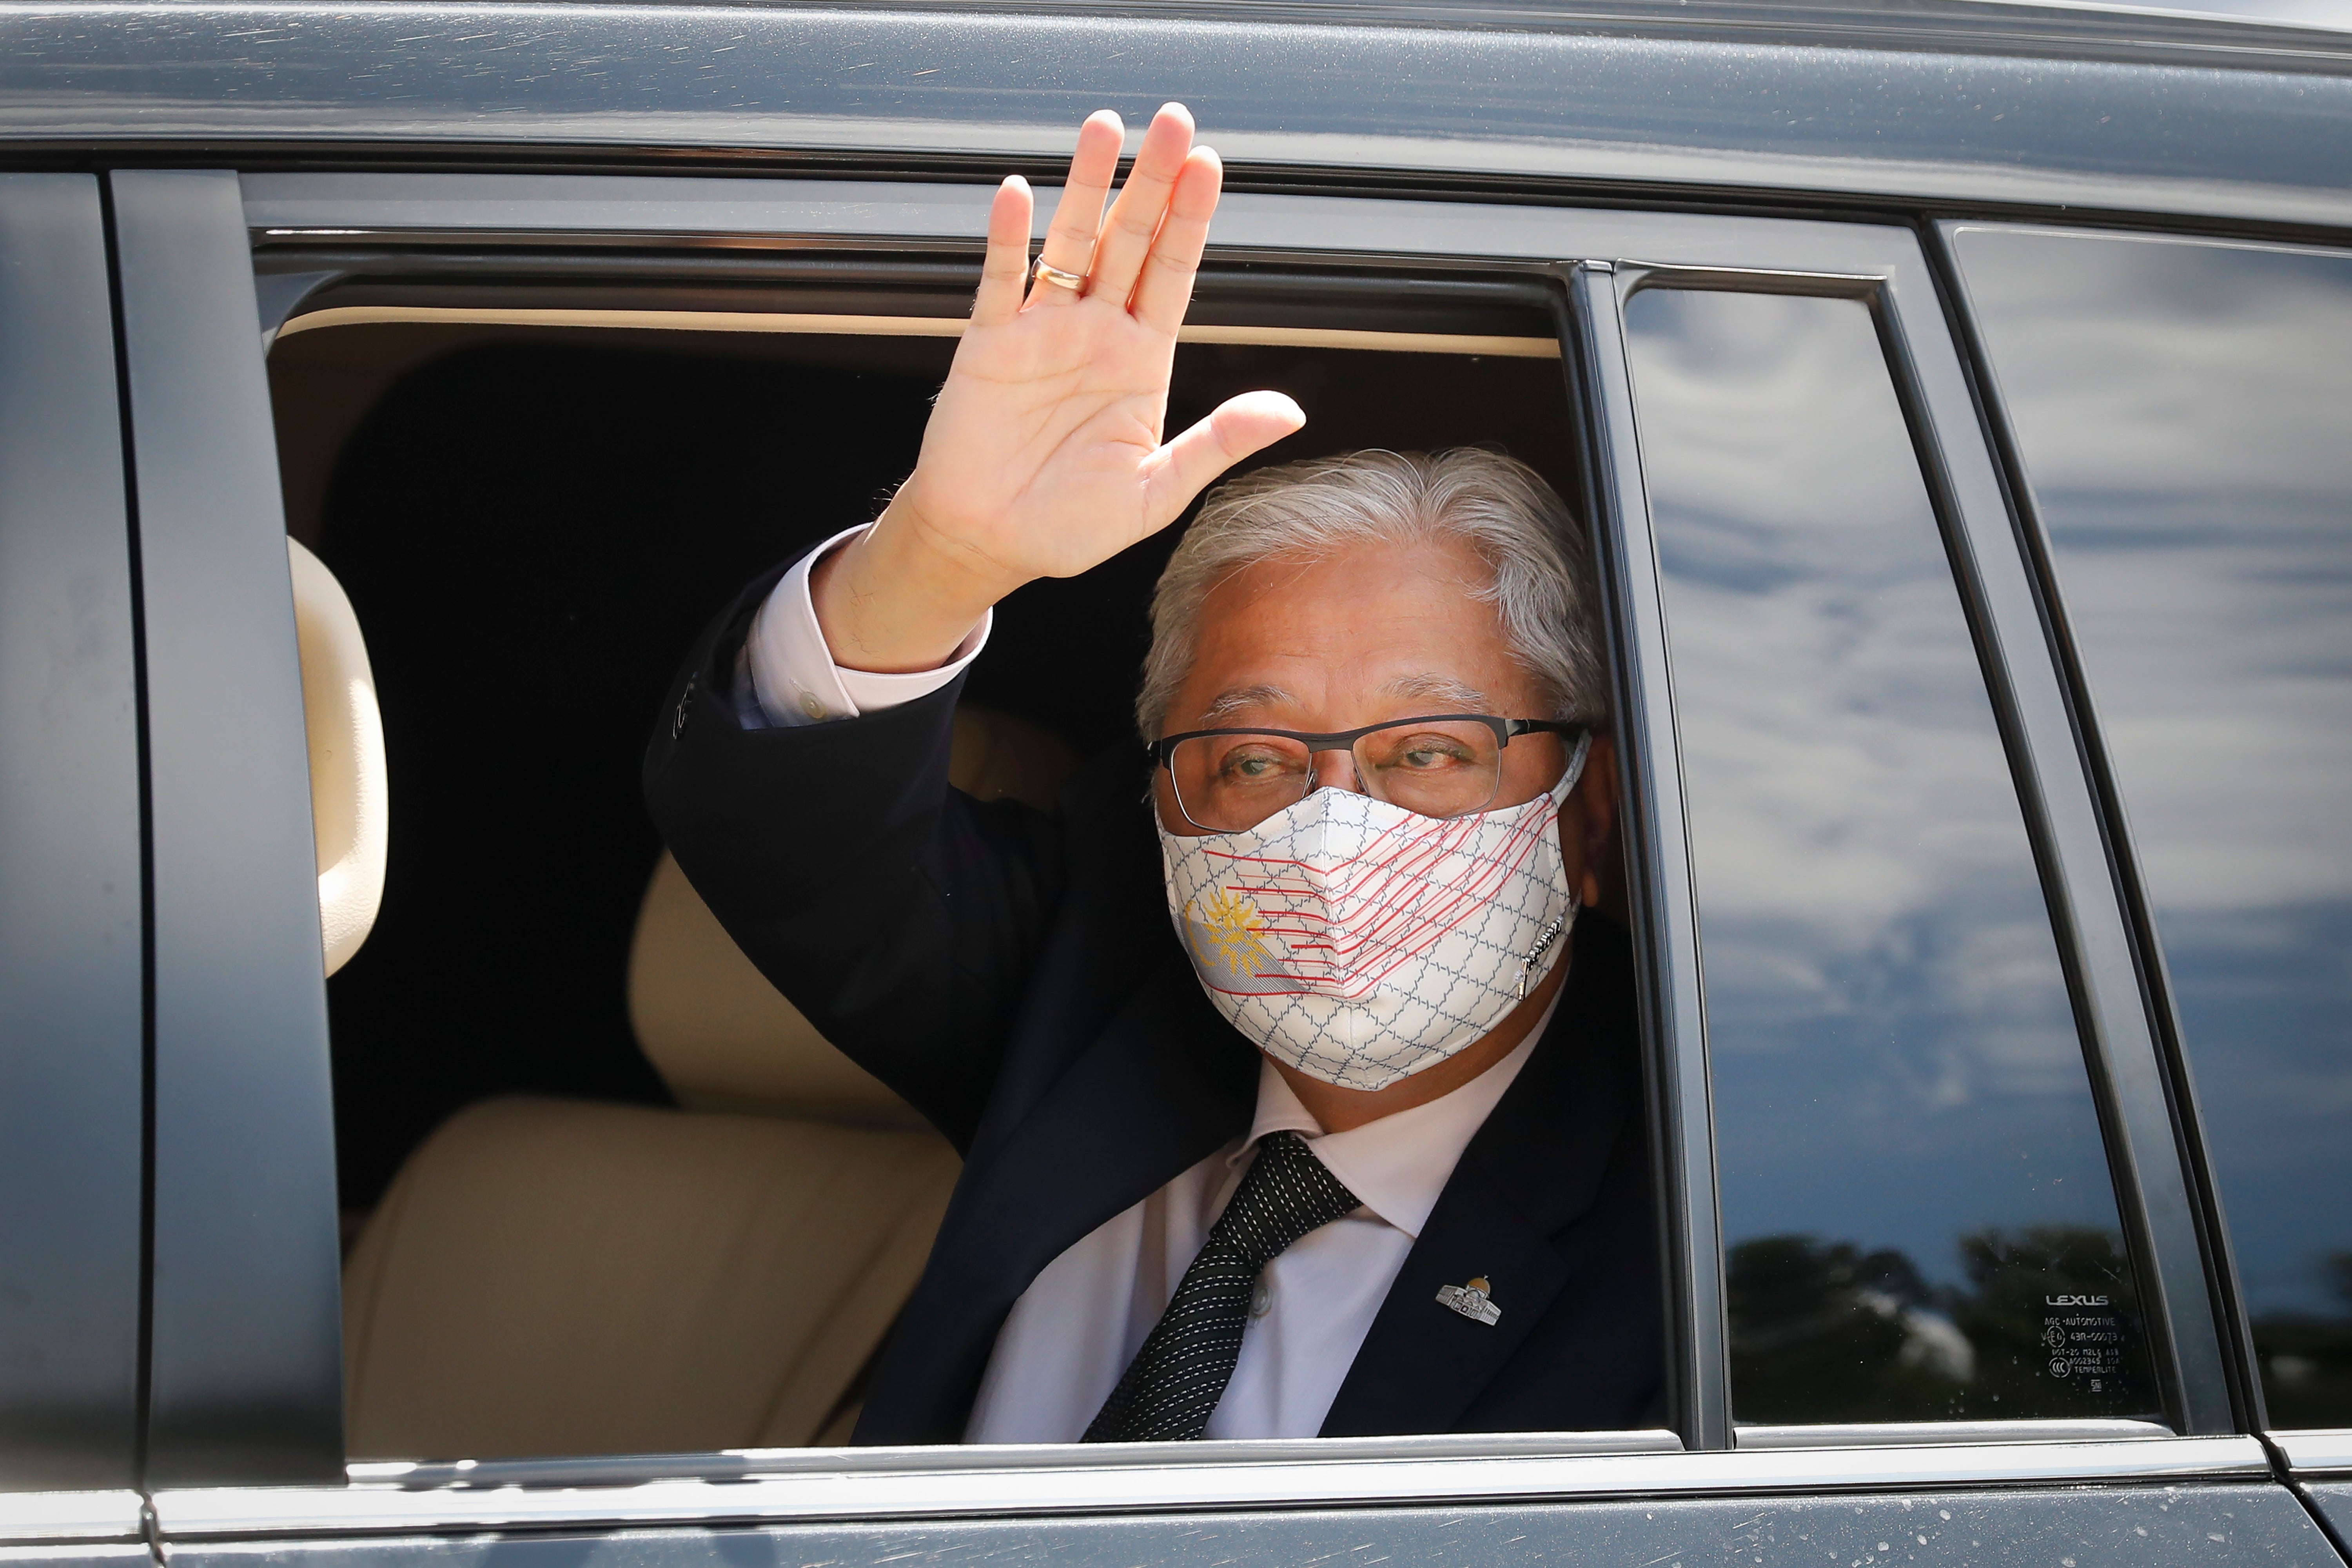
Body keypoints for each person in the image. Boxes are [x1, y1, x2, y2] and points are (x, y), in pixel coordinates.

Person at [646, 103, 1661, 1445]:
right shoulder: (1094, 985)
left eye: (1426, 752)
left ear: (1587, 815)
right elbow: (791, 832)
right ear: (1169, 808)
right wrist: (942, 557)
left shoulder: (1708, 1232)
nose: (1333, 827)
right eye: (1251, 756)